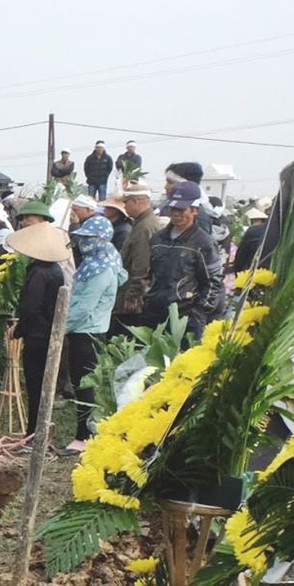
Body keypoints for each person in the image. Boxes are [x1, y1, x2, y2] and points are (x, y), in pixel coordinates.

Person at [63, 211, 124, 453]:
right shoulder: (95, 263)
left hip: (88, 333)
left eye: (90, 238)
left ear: (101, 240)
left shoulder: (101, 269)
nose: (84, 242)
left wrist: (59, 329)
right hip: (83, 331)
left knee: (84, 386)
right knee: (81, 384)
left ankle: (83, 435)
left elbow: (84, 307)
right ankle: (84, 431)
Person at [8, 223, 71, 441]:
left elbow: (30, 307)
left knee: (35, 387)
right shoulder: (54, 270)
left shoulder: (39, 273)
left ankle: (34, 433)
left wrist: (19, 330)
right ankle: (37, 431)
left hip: (37, 335)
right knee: (41, 387)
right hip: (48, 333)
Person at [139, 181, 218, 339]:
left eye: (181, 209)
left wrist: (198, 313)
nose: (175, 213)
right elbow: (148, 273)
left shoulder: (204, 242)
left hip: (186, 318)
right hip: (154, 314)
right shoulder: (158, 238)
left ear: (194, 210)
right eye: (173, 209)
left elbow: (213, 282)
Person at [113, 183, 159, 331]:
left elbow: (142, 264)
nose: (124, 207)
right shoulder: (141, 223)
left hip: (134, 296)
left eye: (126, 202)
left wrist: (133, 295)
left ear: (136, 201)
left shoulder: (144, 227)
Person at [233, 205, 270, 273]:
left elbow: (240, 261)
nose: (254, 222)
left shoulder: (254, 231)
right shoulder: (253, 231)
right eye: (252, 220)